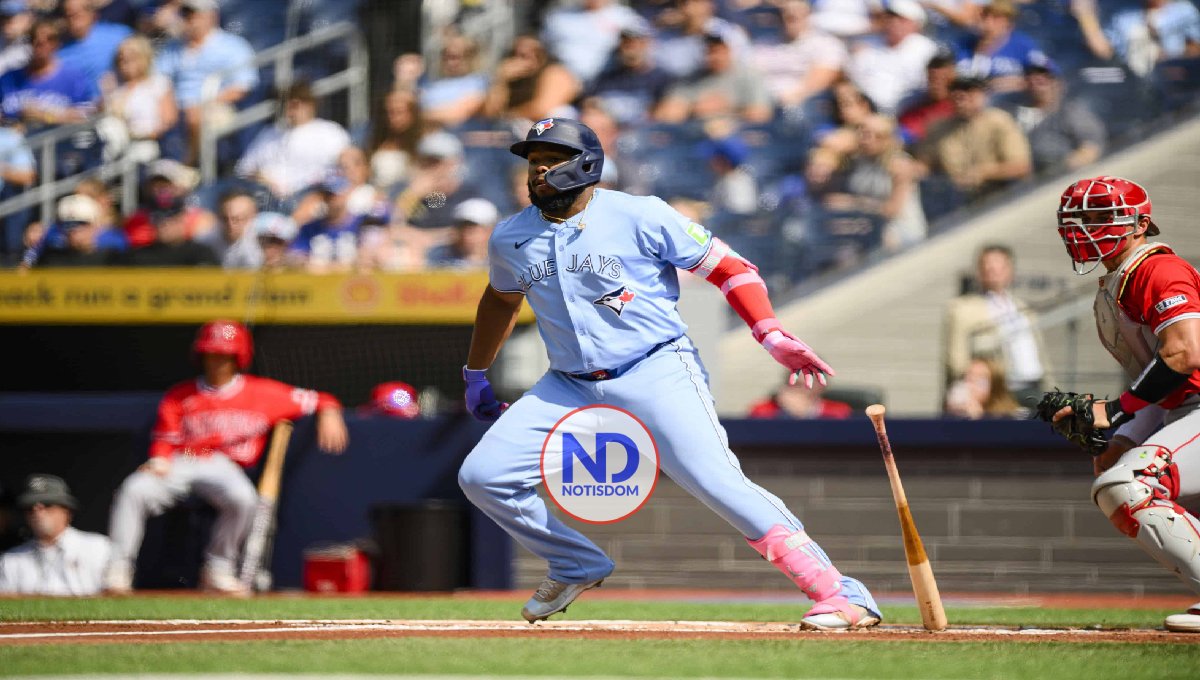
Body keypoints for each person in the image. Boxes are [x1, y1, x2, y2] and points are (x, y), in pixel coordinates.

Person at [456, 117, 881, 630]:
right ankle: (575, 562)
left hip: (654, 366)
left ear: (587, 164)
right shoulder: (511, 235)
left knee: (714, 479)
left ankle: (842, 593)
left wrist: (769, 332)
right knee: (483, 476)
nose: (539, 169)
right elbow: (500, 301)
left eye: (553, 158)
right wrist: (476, 372)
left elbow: (730, 268)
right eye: (534, 160)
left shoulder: (640, 214)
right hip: (567, 382)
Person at [1046, 176, 1200, 633]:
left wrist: (1115, 411)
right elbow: (1163, 378)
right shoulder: (1120, 280)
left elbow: (1185, 353)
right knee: (1119, 482)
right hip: (1185, 409)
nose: (1086, 229)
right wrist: (1126, 434)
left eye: (1099, 218)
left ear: (1140, 224)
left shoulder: (1157, 270)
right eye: (1080, 219)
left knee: (1130, 485)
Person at [104, 319, 349, 595]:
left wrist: (330, 412)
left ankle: (218, 569)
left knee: (243, 499)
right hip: (183, 459)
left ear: (238, 358)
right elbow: (164, 438)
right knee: (133, 490)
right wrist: (159, 459)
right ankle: (118, 570)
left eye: (224, 355)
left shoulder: (264, 392)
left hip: (225, 464)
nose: (216, 361)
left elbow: (321, 398)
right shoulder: (180, 395)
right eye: (211, 354)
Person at [154, 0, 258, 164]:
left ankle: (189, 164)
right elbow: (159, 81)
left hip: (217, 105)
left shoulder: (233, 46)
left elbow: (243, 86)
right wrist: (169, 107)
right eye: (186, 15)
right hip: (177, 108)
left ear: (212, 16)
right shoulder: (172, 47)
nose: (191, 20)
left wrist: (204, 104)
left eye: (196, 15)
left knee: (197, 118)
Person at [943, 243, 1047, 406]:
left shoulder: (1023, 308)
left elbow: (1040, 354)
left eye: (998, 264)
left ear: (1009, 270)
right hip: (998, 392)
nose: (991, 269)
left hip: (1034, 386)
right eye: (986, 264)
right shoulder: (962, 309)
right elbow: (956, 360)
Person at [235, 80, 351, 202]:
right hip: (267, 198)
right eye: (285, 105)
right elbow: (243, 170)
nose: (290, 111)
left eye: (295, 105)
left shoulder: (331, 132)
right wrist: (263, 179)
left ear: (310, 105)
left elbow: (346, 168)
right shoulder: (269, 133)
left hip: (311, 198)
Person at [0, 474, 112, 595]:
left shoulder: (99, 548)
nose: (37, 511)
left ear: (67, 510)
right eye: (30, 508)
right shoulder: (11, 559)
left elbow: (115, 597)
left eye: (47, 504)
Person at [1001, 58, 1106, 175]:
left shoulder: (1070, 112)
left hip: (1061, 177)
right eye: (1031, 79)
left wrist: (1061, 169)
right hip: (1023, 184)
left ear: (1058, 83)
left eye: (1043, 78)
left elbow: (1091, 149)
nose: (1036, 84)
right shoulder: (1014, 114)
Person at [653, 30, 773, 124]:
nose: (714, 56)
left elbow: (760, 114)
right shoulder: (692, 78)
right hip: (694, 139)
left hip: (740, 140)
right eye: (709, 50)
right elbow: (667, 113)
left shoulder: (748, 76)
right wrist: (693, 109)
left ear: (730, 50)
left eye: (718, 50)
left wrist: (724, 110)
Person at [844, 0, 940, 114]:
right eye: (889, 18)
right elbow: (853, 77)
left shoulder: (926, 49)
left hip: (909, 113)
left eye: (900, 19)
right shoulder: (869, 46)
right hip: (869, 112)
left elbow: (926, 87)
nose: (893, 23)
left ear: (915, 24)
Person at [1072, 0, 1200, 78]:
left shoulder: (1180, 13)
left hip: (1152, 24)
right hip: (1121, 38)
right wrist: (1095, 35)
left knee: (1185, 13)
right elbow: (1100, 45)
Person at [101, 34, 177, 162]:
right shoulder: (117, 91)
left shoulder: (158, 83)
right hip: (122, 145)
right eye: (122, 59)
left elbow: (168, 120)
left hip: (150, 143)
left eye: (132, 58)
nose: (126, 63)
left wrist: (145, 135)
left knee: (143, 151)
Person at [953, 0, 1049, 94]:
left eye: (996, 17)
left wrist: (1023, 82)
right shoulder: (963, 44)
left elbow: (1048, 80)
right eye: (984, 16)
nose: (988, 22)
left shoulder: (1023, 46)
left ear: (1009, 23)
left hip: (1010, 105)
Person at [56, 0, 132, 89]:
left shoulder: (120, 36)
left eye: (78, 13)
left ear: (92, 13)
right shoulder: (59, 49)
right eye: (68, 14)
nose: (73, 19)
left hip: (118, 97)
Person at [426, 197, 499, 269]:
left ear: (490, 231)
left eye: (473, 231)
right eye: (462, 229)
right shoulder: (438, 257)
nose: (466, 236)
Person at [943, 356, 1022, 418]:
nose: (971, 381)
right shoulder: (957, 411)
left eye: (980, 377)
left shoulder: (1011, 415)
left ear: (994, 384)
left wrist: (978, 417)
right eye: (969, 375)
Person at [747, 374, 854, 419]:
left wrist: (806, 413)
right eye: (796, 384)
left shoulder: (839, 410)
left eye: (807, 384)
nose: (801, 390)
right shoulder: (764, 410)